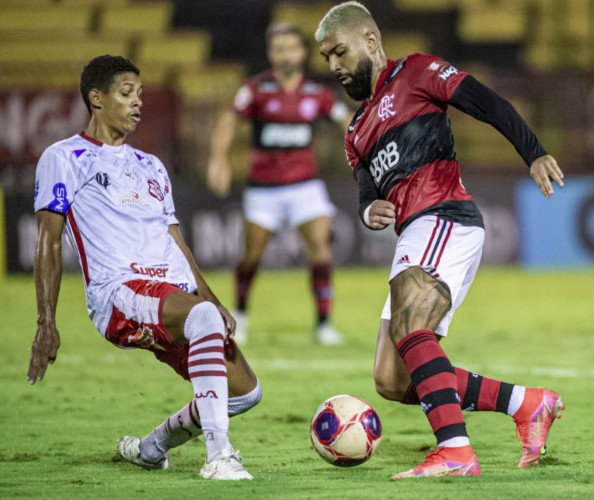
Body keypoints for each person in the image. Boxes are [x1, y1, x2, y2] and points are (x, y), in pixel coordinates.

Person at [316, 2, 566, 479]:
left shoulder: (416, 71)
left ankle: (455, 450)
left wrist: (533, 152)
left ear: (370, 40)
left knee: (412, 327)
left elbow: (487, 102)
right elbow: (367, 189)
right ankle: (527, 403)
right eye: (327, 58)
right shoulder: (354, 131)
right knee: (392, 378)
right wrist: (369, 210)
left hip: (445, 216)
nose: (334, 67)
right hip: (414, 233)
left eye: (340, 52)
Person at [28, 55, 260, 481]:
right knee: (204, 322)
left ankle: (151, 449)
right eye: (126, 93)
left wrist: (209, 299)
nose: (138, 103)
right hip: (120, 291)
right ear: (96, 99)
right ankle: (219, 456)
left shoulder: (151, 165)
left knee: (244, 393)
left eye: (140, 93)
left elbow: (174, 239)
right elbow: (48, 240)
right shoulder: (65, 157)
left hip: (171, 293)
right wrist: (46, 321)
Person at [207, 22, 350, 345]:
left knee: (321, 250)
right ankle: (240, 316)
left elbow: (347, 121)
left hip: (305, 185)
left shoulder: (317, 93)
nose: (284, 53)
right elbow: (229, 121)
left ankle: (324, 323)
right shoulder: (256, 89)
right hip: (263, 189)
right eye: (278, 48)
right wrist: (219, 159)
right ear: (271, 53)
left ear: (302, 52)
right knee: (252, 257)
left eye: (290, 47)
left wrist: (365, 147)